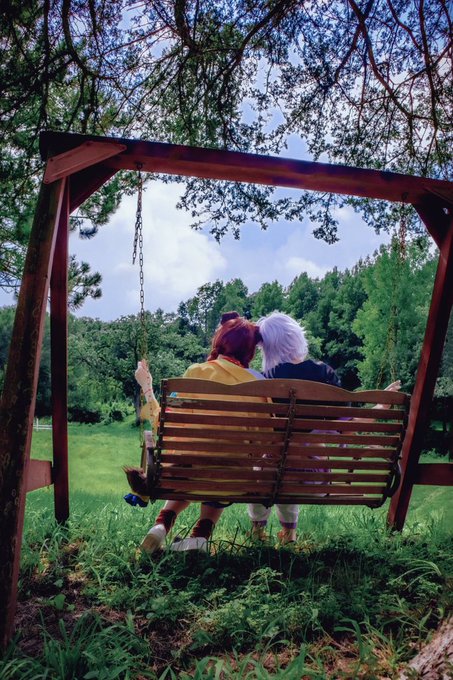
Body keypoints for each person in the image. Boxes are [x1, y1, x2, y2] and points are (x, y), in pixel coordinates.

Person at [247, 311, 401, 545]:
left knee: (270, 466)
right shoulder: (325, 375)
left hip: (267, 479)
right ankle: (289, 534)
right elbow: (348, 430)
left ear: (266, 347)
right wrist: (380, 406)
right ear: (296, 337)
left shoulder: (264, 381)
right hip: (313, 481)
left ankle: (258, 532)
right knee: (296, 464)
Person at [130, 312, 264, 554]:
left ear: (220, 341)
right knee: (221, 469)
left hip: (187, 474)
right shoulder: (257, 386)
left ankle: (160, 526)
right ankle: (200, 537)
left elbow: (164, 423)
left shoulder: (196, 373)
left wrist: (147, 387)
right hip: (233, 480)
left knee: (194, 466)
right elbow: (263, 440)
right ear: (250, 351)